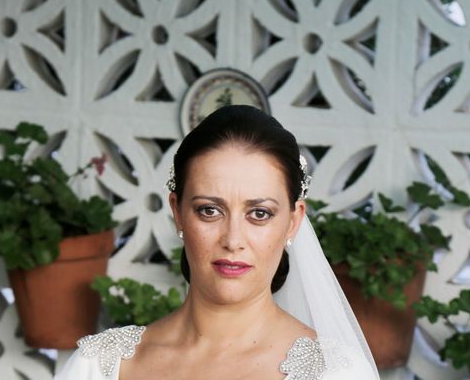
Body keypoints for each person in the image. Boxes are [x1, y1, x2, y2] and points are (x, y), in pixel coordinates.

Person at [55, 105, 379, 379]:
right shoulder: (98, 368)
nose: (233, 240)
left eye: (259, 213)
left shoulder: (336, 373)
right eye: (209, 211)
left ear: (293, 221)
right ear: (178, 212)